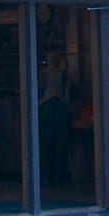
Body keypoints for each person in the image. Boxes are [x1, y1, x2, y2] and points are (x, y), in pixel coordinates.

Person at [38, 53, 71, 188]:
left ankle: (45, 177)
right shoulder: (66, 76)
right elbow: (67, 96)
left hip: (47, 112)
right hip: (62, 112)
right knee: (60, 146)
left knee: (45, 146)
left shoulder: (44, 74)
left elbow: (38, 92)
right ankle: (57, 178)